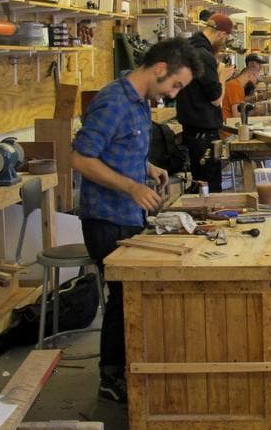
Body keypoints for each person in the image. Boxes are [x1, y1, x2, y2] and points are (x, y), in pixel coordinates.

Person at [72, 38, 202, 403]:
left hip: (127, 213)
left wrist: (148, 167)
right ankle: (111, 377)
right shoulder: (114, 101)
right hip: (106, 216)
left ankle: (130, 366)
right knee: (122, 297)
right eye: (175, 85)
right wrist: (131, 186)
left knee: (129, 294)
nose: (174, 94)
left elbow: (118, 148)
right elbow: (81, 159)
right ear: (160, 70)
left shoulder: (139, 103)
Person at [176, 14, 237, 192]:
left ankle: (201, 216)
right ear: (220, 34)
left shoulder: (187, 49)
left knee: (200, 182)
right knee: (211, 186)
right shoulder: (204, 56)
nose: (224, 43)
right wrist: (222, 76)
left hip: (191, 129)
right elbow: (216, 99)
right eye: (225, 39)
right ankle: (210, 216)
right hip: (203, 133)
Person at [223, 53, 266, 120]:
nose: (255, 84)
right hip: (228, 129)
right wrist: (256, 111)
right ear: (249, 75)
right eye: (256, 80)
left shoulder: (236, 85)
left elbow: (240, 103)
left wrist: (259, 97)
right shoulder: (235, 86)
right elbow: (237, 116)